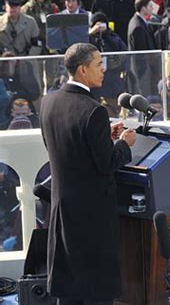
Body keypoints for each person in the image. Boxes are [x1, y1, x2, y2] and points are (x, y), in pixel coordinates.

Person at [39, 43, 136, 304]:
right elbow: (107, 164)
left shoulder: (48, 103)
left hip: (62, 212)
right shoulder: (94, 110)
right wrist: (124, 145)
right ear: (83, 69)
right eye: (98, 65)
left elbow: (62, 148)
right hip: (92, 218)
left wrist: (104, 135)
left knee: (68, 290)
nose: (103, 70)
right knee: (96, 291)